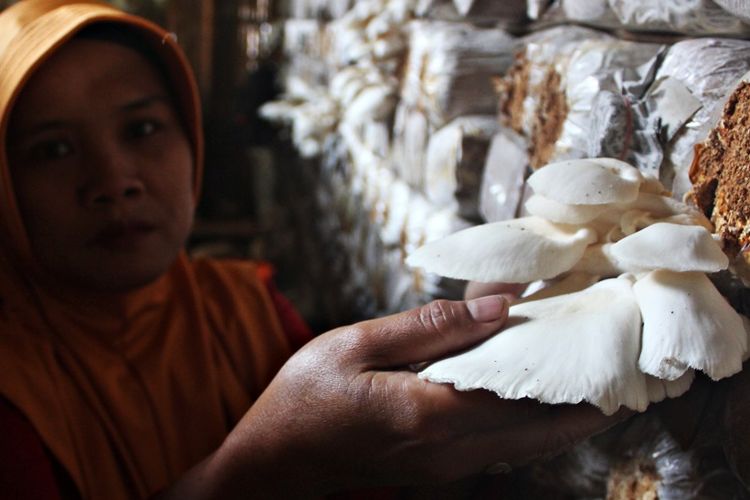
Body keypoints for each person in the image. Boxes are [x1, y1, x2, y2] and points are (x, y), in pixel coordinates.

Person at [0, 1, 629, 498]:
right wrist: (266, 469)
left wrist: (467, 379)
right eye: (52, 150)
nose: (114, 180)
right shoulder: (15, 393)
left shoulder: (243, 304)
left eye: (142, 129)